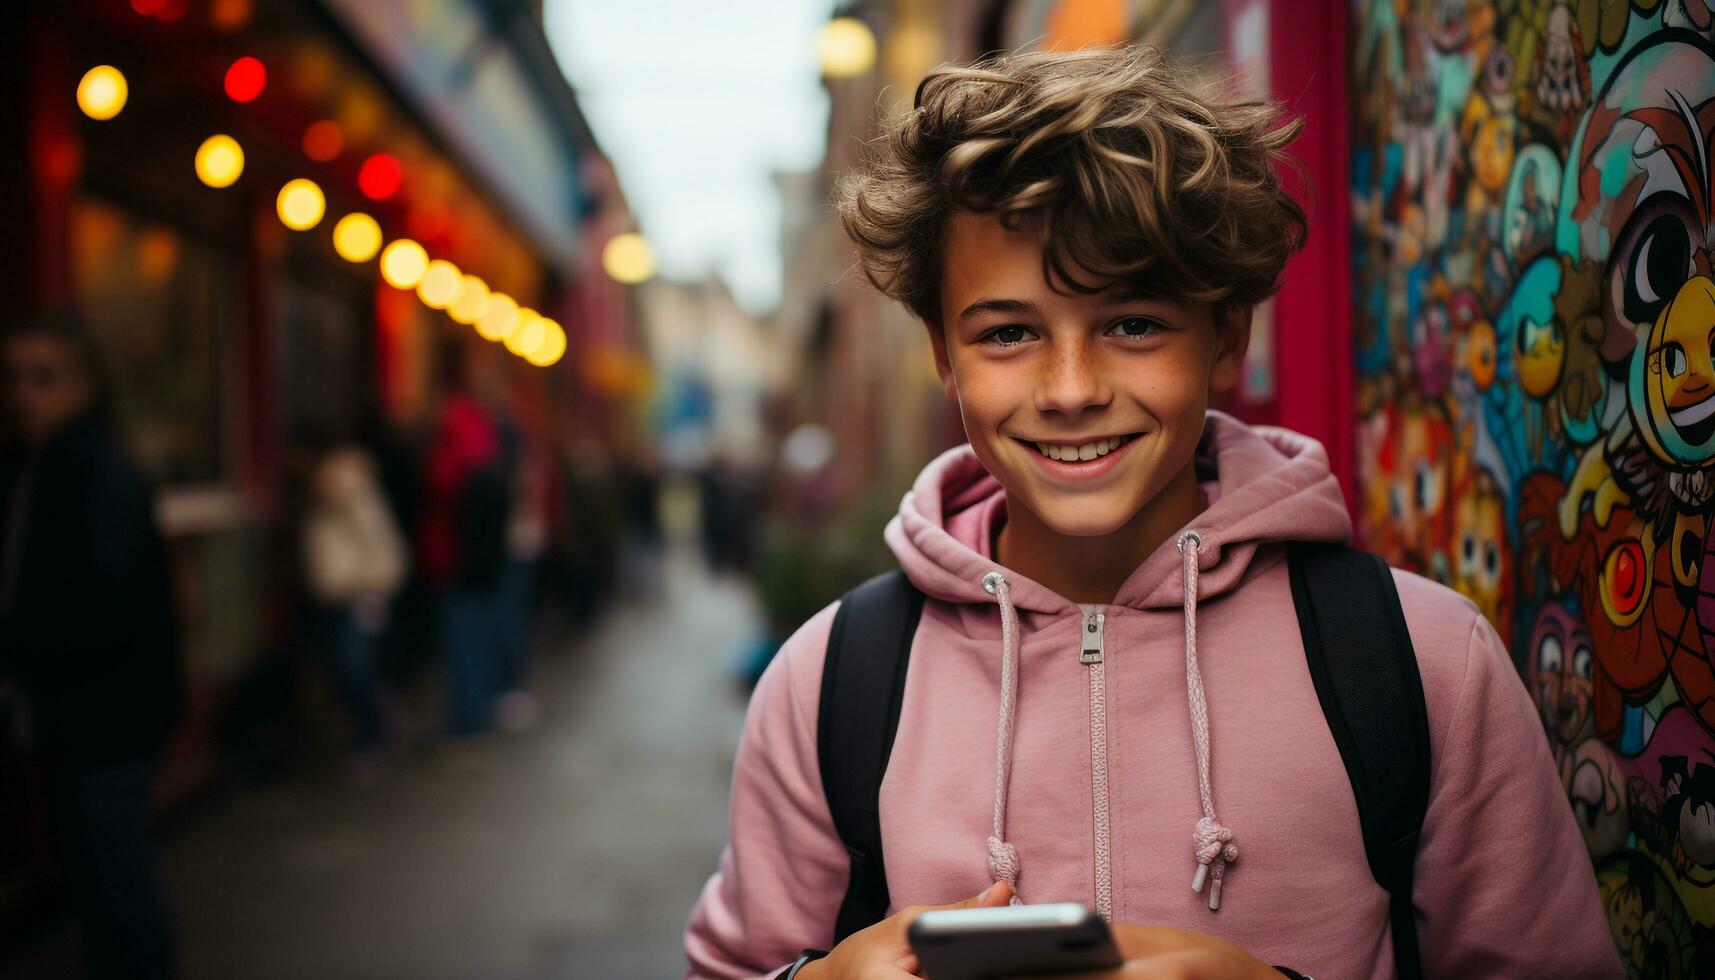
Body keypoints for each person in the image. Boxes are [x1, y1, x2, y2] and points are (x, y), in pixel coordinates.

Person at [683, 47, 1620, 979]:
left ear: (1225, 336)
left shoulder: (1419, 663)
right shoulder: (829, 684)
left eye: (1132, 323)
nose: (1071, 389)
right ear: (943, 353)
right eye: (1007, 333)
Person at [0, 311, 180, 979]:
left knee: (119, 890)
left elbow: (101, 611)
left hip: (106, 720)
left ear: (85, 385)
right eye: (14, 378)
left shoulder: (98, 475)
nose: (23, 394)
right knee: (99, 888)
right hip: (68, 715)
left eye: (43, 378)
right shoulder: (35, 468)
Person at [300, 437, 407, 769]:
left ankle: (373, 733)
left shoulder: (352, 494)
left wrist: (376, 586)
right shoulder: (326, 500)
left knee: (356, 667)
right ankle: (368, 732)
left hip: (358, 595)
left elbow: (381, 544)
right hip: (337, 595)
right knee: (349, 666)